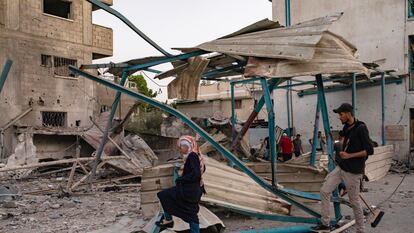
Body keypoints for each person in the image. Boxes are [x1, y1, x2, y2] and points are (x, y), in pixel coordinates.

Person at [311, 103, 373, 233]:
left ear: (348, 113)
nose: (339, 117)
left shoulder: (361, 128)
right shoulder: (346, 127)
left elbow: (369, 150)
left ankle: (361, 230)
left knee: (354, 201)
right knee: (324, 191)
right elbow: (342, 136)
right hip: (342, 167)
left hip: (353, 171)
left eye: (341, 114)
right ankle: (325, 223)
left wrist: (349, 155)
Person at [156, 136, 206, 233]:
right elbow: (200, 171)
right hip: (194, 190)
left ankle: (169, 220)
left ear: (188, 146)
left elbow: (196, 174)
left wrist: (181, 179)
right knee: (191, 213)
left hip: (189, 190)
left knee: (163, 195)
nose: (180, 149)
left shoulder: (192, 156)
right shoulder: (196, 156)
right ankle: (170, 220)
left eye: (182, 147)